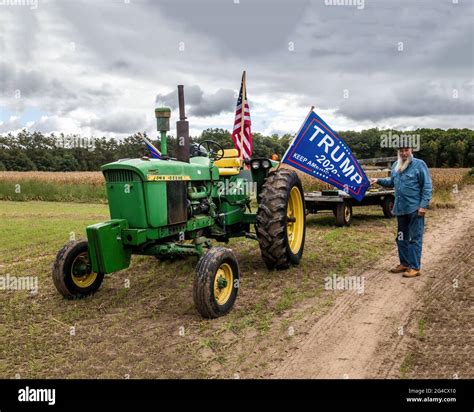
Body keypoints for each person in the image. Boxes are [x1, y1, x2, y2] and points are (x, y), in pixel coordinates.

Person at [370, 146, 432, 278]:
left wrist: (423, 206)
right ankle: (404, 263)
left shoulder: (419, 165)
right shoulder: (395, 165)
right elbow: (392, 182)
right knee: (401, 238)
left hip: (415, 209)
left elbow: (427, 186)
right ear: (398, 152)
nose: (404, 153)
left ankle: (414, 267)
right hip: (400, 209)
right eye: (401, 151)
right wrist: (378, 180)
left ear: (411, 151)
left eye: (406, 150)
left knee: (415, 239)